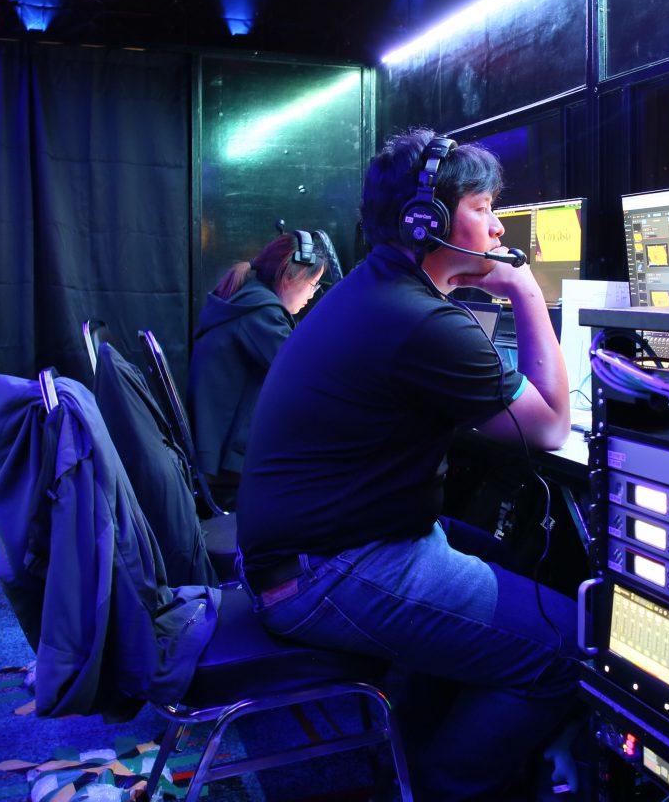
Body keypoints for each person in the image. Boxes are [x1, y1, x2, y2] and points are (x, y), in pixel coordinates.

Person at [236, 129, 582, 802]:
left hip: (303, 555)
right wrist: (524, 291)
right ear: (427, 221)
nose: (499, 227)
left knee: (508, 557)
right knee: (571, 647)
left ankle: (422, 744)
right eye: (484, 208)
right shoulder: (421, 321)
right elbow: (550, 427)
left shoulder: (374, 292)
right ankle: (439, 785)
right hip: (326, 573)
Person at [187, 230, 326, 506]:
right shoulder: (261, 313)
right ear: (290, 278)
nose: (313, 294)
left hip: (214, 448)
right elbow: (305, 376)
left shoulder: (249, 299)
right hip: (228, 462)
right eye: (313, 284)